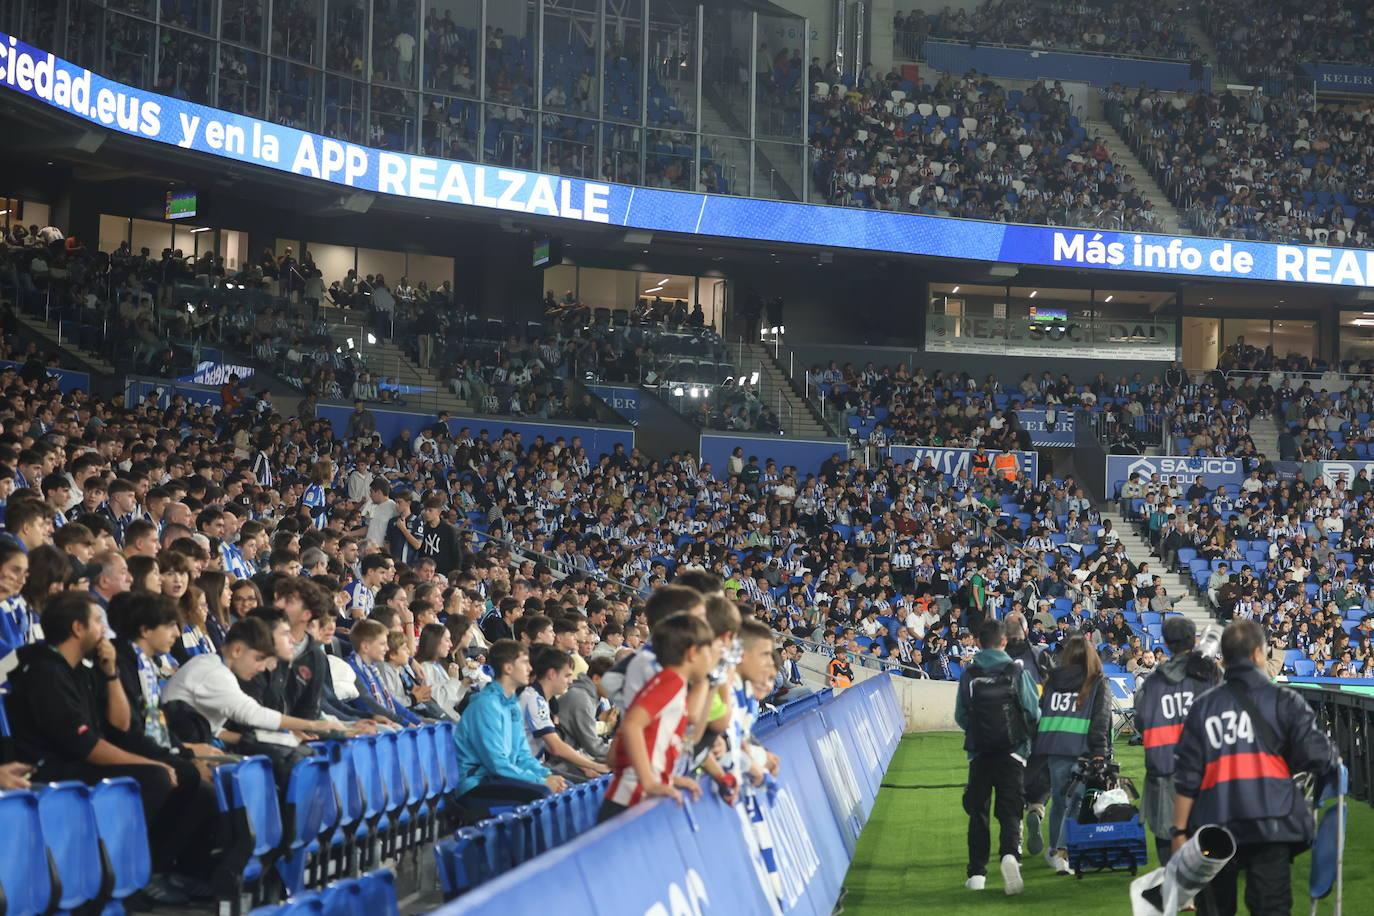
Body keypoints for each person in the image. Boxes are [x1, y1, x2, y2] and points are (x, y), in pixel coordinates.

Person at [6, 593, 213, 904]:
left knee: (190, 783)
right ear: (78, 628)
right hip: (49, 767)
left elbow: (120, 726)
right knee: (156, 778)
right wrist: (155, 766)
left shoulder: (83, 668)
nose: (105, 629)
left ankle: (148, 871)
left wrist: (111, 672)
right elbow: (86, 746)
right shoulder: (44, 671)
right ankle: (112, 877)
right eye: (98, 622)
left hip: (78, 758)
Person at [1172, 620, 1340, 916]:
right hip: (1271, 823)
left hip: (1214, 825)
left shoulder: (1203, 707)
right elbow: (1320, 756)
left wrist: (1179, 832)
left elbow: (1187, 778)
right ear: (1258, 655)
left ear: (1223, 658)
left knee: (1214, 910)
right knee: (1270, 909)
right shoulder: (1286, 701)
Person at [598, 613, 716, 821]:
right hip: (630, 799)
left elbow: (626, 746)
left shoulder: (672, 683)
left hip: (633, 795)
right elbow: (632, 725)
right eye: (710, 653)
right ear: (692, 653)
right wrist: (650, 782)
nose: (712, 662)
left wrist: (669, 779)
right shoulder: (671, 681)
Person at [954, 618, 1041, 895]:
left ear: (978, 642)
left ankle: (977, 873)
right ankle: (1009, 856)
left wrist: (978, 733)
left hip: (979, 754)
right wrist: (1022, 738)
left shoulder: (969, 674)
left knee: (978, 812)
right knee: (1010, 810)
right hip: (1013, 752)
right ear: (1004, 641)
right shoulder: (1016, 671)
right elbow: (1033, 711)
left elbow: (961, 714)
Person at [1134, 617, 1221, 864]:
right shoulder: (1211, 675)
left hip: (1165, 767)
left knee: (1168, 829)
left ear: (1166, 643)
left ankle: (1178, 888)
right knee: (1204, 829)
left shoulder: (1153, 682)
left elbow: (1141, 721)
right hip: (1205, 767)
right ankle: (1199, 888)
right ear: (1193, 640)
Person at [450, 639, 567, 818]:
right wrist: (541, 781)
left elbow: (522, 755)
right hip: (477, 784)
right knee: (544, 794)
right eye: (524, 662)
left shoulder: (511, 705)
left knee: (566, 787)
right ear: (508, 668)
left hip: (499, 778)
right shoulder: (486, 705)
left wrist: (546, 774)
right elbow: (497, 765)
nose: (530, 668)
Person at [1030, 634, 1112, 874]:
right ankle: (1062, 852)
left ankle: (1055, 849)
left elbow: (1041, 710)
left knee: (1058, 800)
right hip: (1082, 748)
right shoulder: (1097, 681)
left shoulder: (1053, 680)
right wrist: (1100, 752)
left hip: (1054, 746)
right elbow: (1100, 720)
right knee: (1076, 802)